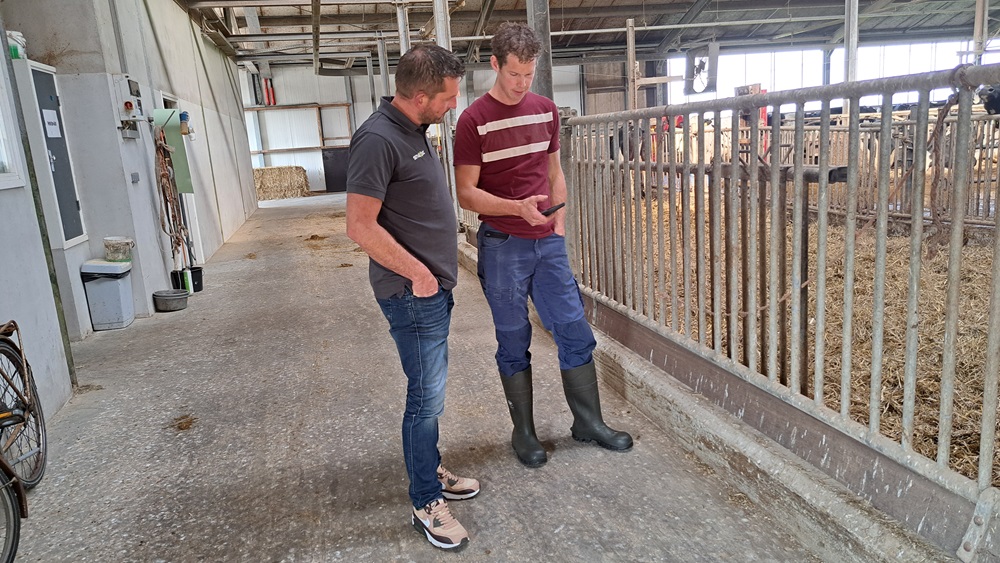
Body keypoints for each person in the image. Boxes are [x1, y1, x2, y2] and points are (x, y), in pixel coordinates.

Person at [454, 23, 633, 469]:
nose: (521, 84)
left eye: (529, 74)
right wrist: (517, 210)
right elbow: (466, 194)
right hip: (503, 244)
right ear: (494, 64)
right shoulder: (473, 121)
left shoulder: (547, 110)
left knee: (574, 329)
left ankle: (588, 423)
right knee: (513, 339)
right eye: (514, 74)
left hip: (547, 241)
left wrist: (560, 221)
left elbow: (554, 172)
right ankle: (525, 433)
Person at [345, 44, 479, 552]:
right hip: (411, 293)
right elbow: (359, 225)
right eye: (447, 98)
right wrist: (420, 274)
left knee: (431, 392)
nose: (452, 105)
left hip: (430, 290)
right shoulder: (378, 140)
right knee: (424, 398)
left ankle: (431, 467)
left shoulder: (413, 130)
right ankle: (425, 498)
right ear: (420, 95)